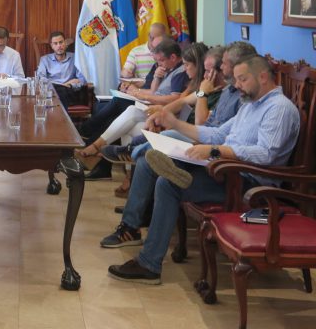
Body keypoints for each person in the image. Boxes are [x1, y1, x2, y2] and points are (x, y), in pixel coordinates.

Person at [106, 55, 299, 285]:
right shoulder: (251, 105)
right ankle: (171, 167)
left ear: (263, 77)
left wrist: (216, 151)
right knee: (164, 176)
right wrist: (175, 123)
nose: (236, 85)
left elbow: (265, 154)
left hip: (248, 184)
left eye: (242, 79)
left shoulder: (279, 109)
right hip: (226, 171)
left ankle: (149, 264)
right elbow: (217, 134)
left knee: (168, 184)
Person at [99, 41, 256, 249]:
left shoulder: (244, 99)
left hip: (221, 162)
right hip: (206, 146)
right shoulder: (230, 92)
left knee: (162, 152)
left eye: (218, 67)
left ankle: (131, 153)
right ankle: (131, 226)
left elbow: (210, 130)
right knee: (149, 159)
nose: (207, 74)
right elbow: (210, 127)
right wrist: (165, 116)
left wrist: (201, 94)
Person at [79, 38, 188, 179]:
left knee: (123, 111)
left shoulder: (180, 72)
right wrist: (156, 77)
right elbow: (156, 92)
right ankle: (126, 176)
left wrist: (141, 95)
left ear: (173, 57)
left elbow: (175, 99)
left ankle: (92, 142)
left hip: (161, 115)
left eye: (161, 61)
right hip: (153, 110)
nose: (158, 64)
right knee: (124, 117)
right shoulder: (166, 68)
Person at [36, 30, 86, 110]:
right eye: (55, 43)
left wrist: (69, 85)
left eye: (61, 42)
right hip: (52, 92)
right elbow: (41, 79)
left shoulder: (75, 58)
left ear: (65, 43)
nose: (59, 46)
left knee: (62, 92)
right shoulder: (44, 59)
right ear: (52, 46)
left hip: (70, 92)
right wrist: (65, 84)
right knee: (59, 91)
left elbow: (82, 79)